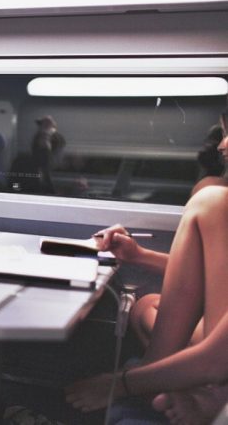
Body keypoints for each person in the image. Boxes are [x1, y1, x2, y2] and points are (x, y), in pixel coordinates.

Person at [65, 111, 228, 424]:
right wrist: (138, 255)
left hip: (220, 361)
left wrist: (120, 384)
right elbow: (214, 276)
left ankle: (209, 392)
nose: (222, 146)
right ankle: (177, 378)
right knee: (146, 307)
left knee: (210, 197)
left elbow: (219, 359)